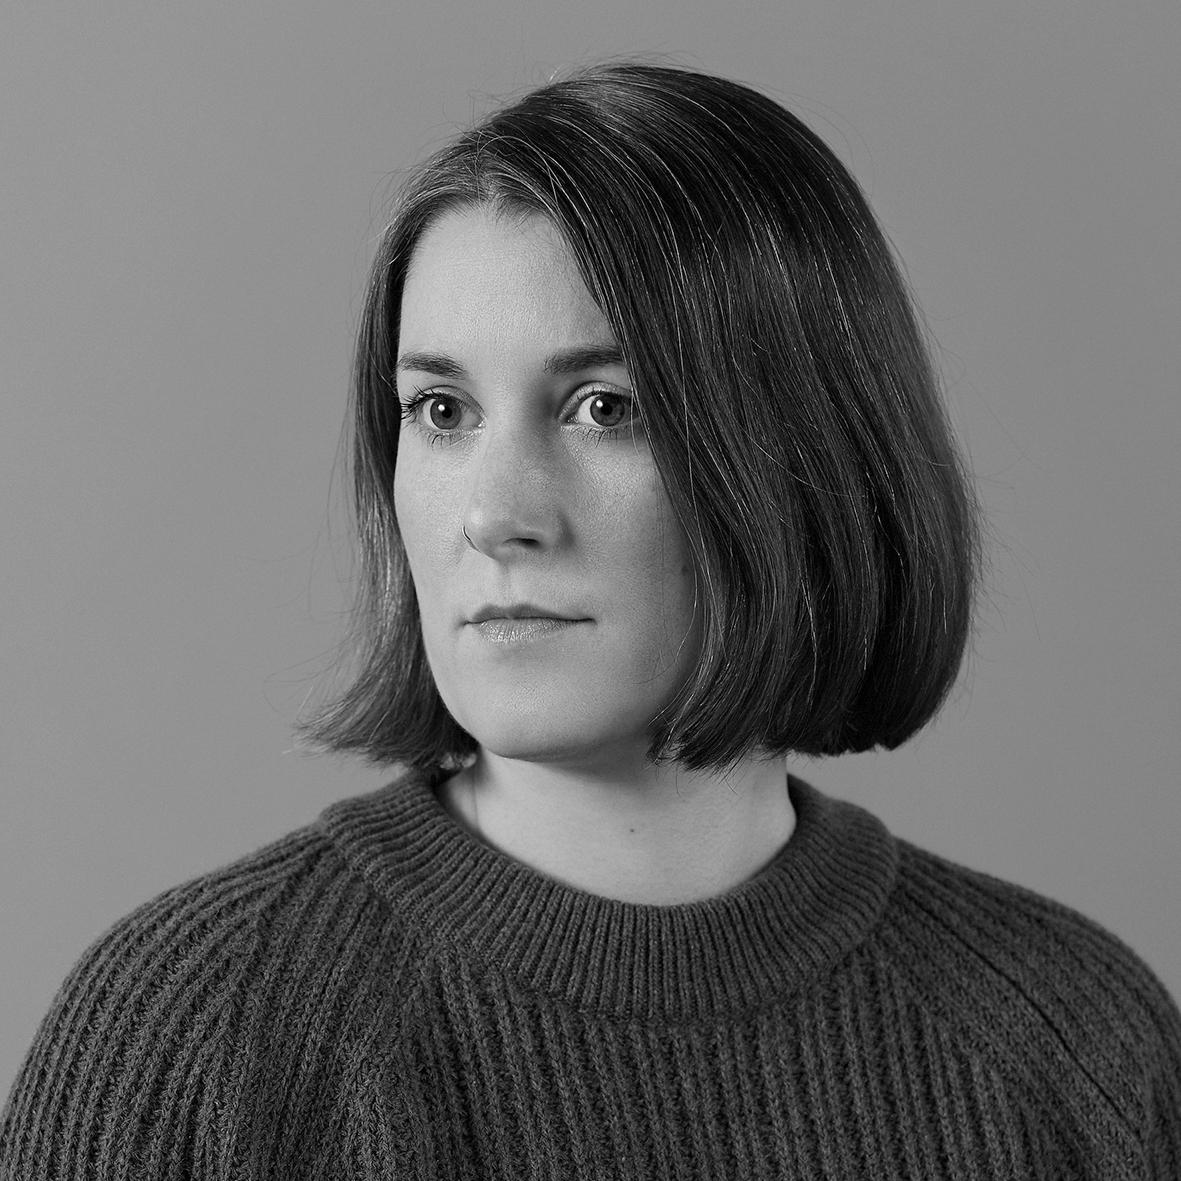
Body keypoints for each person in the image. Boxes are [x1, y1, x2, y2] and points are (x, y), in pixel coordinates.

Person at [2, 60, 1179, 1179]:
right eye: (441, 409)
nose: (494, 515)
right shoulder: (192, 1034)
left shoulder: (1076, 1045)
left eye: (604, 406)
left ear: (809, 450)